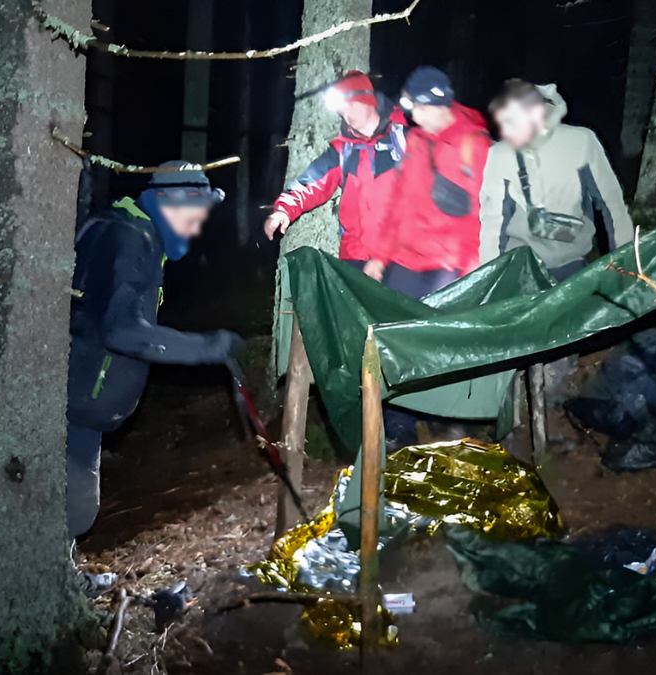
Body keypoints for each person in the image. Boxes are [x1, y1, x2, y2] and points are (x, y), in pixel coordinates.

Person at [67, 161, 243, 591]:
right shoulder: (130, 239)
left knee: (72, 502)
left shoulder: (133, 232)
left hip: (81, 397)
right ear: (169, 202)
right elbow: (120, 329)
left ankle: (60, 578)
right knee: (72, 504)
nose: (198, 227)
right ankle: (54, 585)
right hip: (75, 394)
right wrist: (204, 348)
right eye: (195, 214)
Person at [479, 79, 633, 282]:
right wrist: (627, 264)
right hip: (570, 266)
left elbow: (494, 222)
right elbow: (612, 205)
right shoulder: (583, 140)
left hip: (518, 270)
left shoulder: (500, 153)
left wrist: (488, 278)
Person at [364, 66, 491, 298]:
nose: (415, 116)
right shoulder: (416, 140)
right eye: (412, 108)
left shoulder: (474, 146)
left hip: (447, 270)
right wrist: (380, 257)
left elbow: (484, 217)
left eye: (420, 108)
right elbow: (398, 202)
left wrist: (472, 277)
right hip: (404, 263)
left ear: (439, 104)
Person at [264, 70, 408, 268]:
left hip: (400, 260)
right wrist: (283, 211)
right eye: (341, 110)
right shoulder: (343, 151)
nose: (345, 115)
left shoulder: (406, 142)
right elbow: (309, 184)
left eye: (349, 106)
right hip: (355, 262)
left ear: (367, 100)